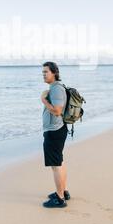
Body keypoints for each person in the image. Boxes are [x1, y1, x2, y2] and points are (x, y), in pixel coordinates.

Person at [41, 61, 71, 208]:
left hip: (54, 131)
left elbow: (57, 111)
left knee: (55, 165)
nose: (43, 75)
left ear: (54, 73)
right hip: (57, 129)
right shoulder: (54, 88)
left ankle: (59, 199)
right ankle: (63, 191)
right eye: (43, 72)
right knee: (59, 162)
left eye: (46, 72)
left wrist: (43, 101)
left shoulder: (56, 89)